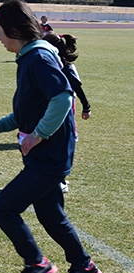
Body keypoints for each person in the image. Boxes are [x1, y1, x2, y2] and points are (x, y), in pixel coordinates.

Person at [0, 0, 102, 273]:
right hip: (45, 154)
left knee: (3, 209)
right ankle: (84, 266)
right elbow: (29, 108)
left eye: (0, 32)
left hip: (49, 155)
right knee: (51, 215)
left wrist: (38, 135)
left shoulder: (38, 58)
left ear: (16, 31)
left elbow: (62, 97)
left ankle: (37, 263)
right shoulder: (30, 56)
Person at [43, 32, 91, 193]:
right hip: (48, 107)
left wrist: (86, 107)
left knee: (60, 144)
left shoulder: (66, 67)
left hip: (64, 109)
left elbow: (77, 88)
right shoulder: (46, 65)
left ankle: (60, 180)